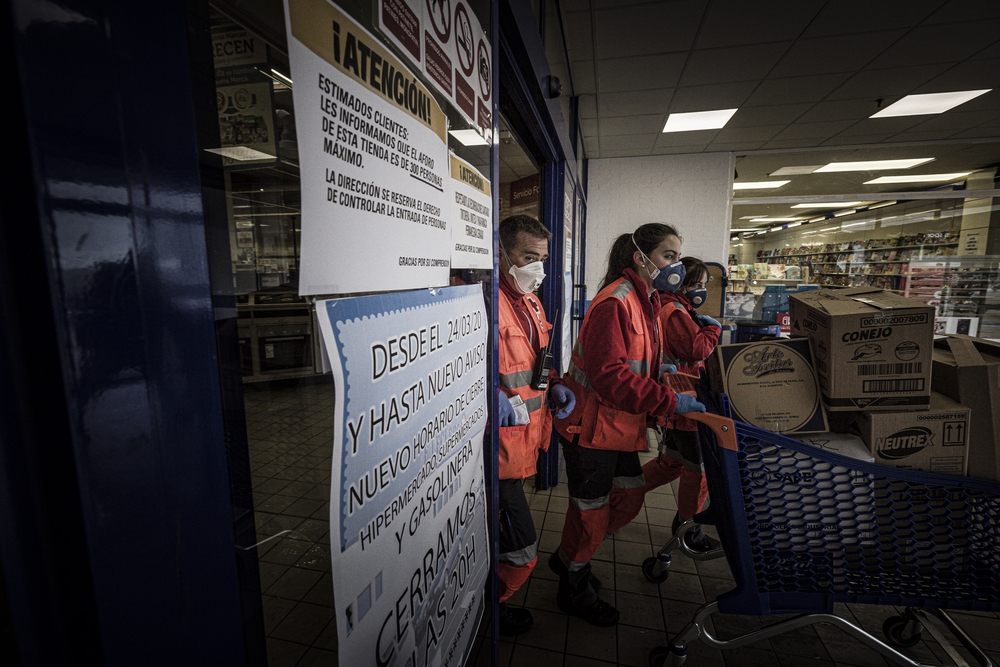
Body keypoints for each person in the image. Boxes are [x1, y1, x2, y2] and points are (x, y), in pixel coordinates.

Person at [549, 223, 705, 626]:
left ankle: (568, 560)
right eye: (668, 256)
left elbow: (635, 360)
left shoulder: (646, 299)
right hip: (591, 428)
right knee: (591, 513)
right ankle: (574, 589)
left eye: (675, 256)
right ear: (641, 257)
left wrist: (662, 370)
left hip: (617, 427)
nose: (675, 265)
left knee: (628, 496)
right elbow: (610, 376)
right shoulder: (616, 301)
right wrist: (668, 400)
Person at [494, 214, 576, 636]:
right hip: (493, 454)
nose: (537, 269)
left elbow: (536, 361)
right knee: (523, 552)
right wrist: (486, 393)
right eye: (528, 257)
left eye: (541, 259)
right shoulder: (480, 301)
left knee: (498, 541)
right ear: (501, 254)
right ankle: (487, 611)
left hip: (523, 443)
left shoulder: (530, 300)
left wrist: (557, 384)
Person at [640, 256, 723, 553]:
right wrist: (713, 330)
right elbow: (695, 348)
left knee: (672, 463)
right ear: (681, 284)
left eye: (704, 285)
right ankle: (689, 529)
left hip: (677, 402)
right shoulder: (674, 310)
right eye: (696, 284)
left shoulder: (670, 305)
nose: (701, 290)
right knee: (698, 470)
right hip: (687, 404)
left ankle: (621, 494)